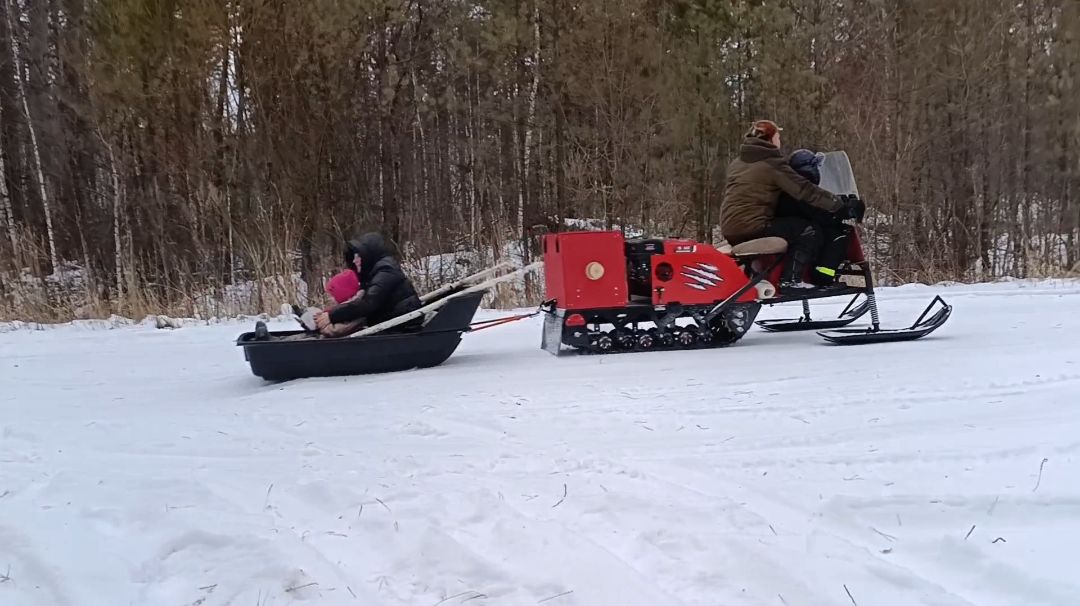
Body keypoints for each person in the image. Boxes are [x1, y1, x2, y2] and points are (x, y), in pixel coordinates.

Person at [720, 120, 863, 289]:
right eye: (778, 137)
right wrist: (839, 206)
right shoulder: (771, 163)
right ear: (770, 139)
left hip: (730, 228)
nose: (779, 141)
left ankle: (783, 278)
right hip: (754, 225)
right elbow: (804, 189)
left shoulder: (739, 163)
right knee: (808, 230)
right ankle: (791, 280)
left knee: (792, 225)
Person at [314, 232, 422, 332]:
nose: (354, 261)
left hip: (404, 326)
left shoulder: (386, 271)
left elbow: (368, 303)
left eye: (357, 257)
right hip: (394, 322)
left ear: (367, 255)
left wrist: (333, 316)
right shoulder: (374, 274)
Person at [777, 148, 855, 286]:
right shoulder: (801, 188)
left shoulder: (792, 186)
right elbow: (816, 213)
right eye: (816, 166)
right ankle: (821, 278)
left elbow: (812, 210)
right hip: (792, 228)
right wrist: (839, 212)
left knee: (822, 231)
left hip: (786, 225)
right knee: (837, 234)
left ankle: (813, 275)